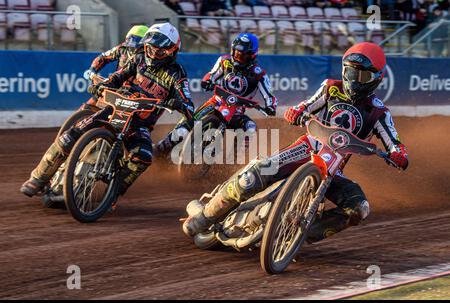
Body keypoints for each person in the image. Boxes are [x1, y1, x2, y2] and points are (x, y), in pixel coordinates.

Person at [182, 42, 409, 243]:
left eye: (362, 76)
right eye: (350, 72)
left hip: (333, 169)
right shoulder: (331, 87)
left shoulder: (379, 112)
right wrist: (296, 112)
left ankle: (299, 233)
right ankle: (205, 217)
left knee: (359, 209)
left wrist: (397, 154)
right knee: (254, 175)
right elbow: (306, 105)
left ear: (377, 78)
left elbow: (394, 142)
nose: (353, 80)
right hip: (306, 148)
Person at [20, 23, 195, 198]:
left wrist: (179, 104)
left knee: (143, 157)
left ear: (173, 50)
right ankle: (38, 178)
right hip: (115, 110)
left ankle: (112, 194)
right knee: (69, 137)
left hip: (138, 125)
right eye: (150, 49)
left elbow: (188, 105)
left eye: (160, 52)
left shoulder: (177, 75)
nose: (153, 55)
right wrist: (103, 86)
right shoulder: (139, 59)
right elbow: (118, 77)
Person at [155, 33, 277, 156]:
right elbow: (211, 74)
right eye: (236, 53)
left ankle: (235, 158)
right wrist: (207, 81)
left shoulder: (258, 73)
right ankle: (163, 146)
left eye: (242, 55)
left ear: (252, 56)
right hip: (215, 102)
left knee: (250, 128)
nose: (238, 57)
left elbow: (269, 95)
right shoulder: (224, 61)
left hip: (237, 113)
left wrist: (271, 106)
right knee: (188, 122)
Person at [81, 25, 149, 111]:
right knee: (87, 107)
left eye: (137, 45)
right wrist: (92, 69)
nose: (133, 48)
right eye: (130, 44)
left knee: (111, 116)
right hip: (115, 85)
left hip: (134, 95)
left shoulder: (150, 58)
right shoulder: (121, 48)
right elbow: (103, 57)